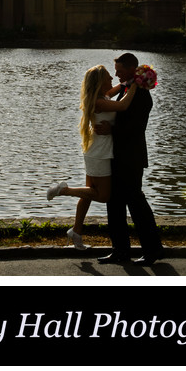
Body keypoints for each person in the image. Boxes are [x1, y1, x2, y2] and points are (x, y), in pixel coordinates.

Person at [46, 65, 139, 250]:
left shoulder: (103, 96)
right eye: (108, 76)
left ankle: (76, 232)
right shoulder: (99, 102)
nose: (112, 78)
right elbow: (123, 105)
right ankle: (63, 190)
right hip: (100, 154)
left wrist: (130, 80)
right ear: (100, 82)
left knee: (88, 193)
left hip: (95, 151)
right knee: (103, 196)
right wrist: (136, 84)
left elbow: (119, 88)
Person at [96, 52, 164, 266]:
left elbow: (135, 128)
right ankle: (120, 250)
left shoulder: (141, 94)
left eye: (119, 70)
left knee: (136, 203)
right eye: (115, 71)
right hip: (117, 155)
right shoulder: (127, 88)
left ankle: (152, 250)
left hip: (132, 157)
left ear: (132, 70)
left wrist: (110, 129)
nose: (116, 74)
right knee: (114, 203)